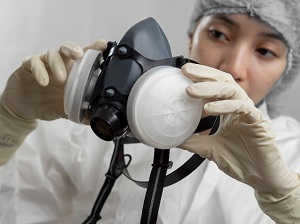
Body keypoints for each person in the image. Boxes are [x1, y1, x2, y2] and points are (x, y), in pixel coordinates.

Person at [0, 0, 300, 223]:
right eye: (219, 34)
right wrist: (10, 120)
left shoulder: (291, 154)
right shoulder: (90, 127)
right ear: (191, 37)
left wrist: (284, 196)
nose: (233, 67)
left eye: (265, 51)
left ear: (285, 72)